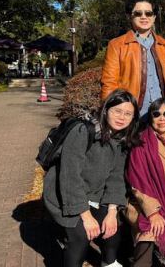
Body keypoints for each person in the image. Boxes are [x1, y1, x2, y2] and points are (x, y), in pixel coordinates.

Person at [43, 89, 141, 267]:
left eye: (128, 114)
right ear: (106, 110)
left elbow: (116, 177)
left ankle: (109, 263)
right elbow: (70, 177)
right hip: (64, 193)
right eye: (117, 111)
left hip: (94, 193)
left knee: (114, 227)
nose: (122, 117)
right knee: (81, 237)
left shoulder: (122, 138)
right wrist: (86, 216)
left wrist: (112, 211)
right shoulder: (82, 131)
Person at [125, 97, 165, 266]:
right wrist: (153, 212)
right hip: (145, 200)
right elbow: (138, 183)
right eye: (156, 114)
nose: (162, 118)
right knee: (148, 228)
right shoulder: (141, 143)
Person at [101, 0, 165, 117]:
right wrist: (109, 111)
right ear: (129, 17)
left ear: (154, 17)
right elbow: (109, 82)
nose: (144, 17)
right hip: (130, 112)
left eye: (148, 13)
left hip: (161, 113)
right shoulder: (117, 45)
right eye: (138, 13)